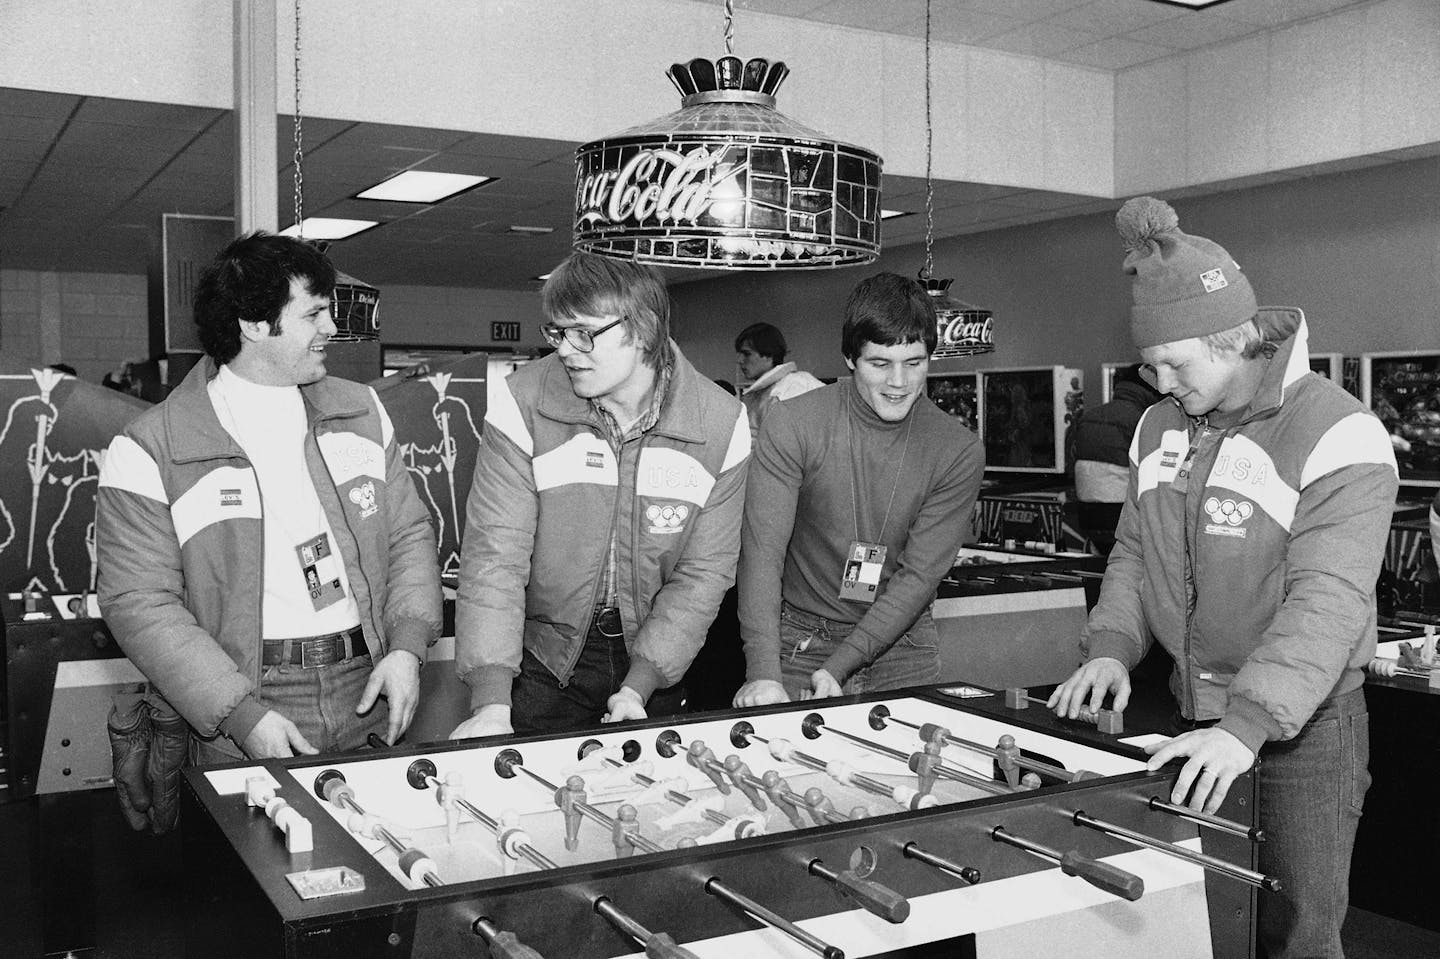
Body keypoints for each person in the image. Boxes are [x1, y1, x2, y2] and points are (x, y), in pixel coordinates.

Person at [1048, 197, 1398, 959]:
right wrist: (1110, 645)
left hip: (1304, 730)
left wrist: (1246, 726)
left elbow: (1328, 601)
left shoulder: (1338, 431)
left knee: (1297, 932)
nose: (1162, 381)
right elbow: (1137, 555)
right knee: (1204, 922)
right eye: (1151, 364)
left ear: (1236, 339)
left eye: (1178, 362)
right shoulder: (1157, 426)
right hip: (1196, 712)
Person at [97, 232, 443, 768]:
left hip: (369, 682)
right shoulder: (150, 449)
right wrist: (238, 713)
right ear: (255, 324)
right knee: (260, 851)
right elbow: (139, 602)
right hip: (251, 698)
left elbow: (408, 534)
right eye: (314, 314)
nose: (331, 328)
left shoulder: (361, 411)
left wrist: (408, 647)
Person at [451, 252, 749, 738]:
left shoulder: (721, 423)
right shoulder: (522, 402)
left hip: (658, 659)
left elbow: (703, 573)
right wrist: (490, 701)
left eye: (584, 332)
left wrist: (639, 685)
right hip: (544, 663)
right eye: (557, 332)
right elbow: (495, 557)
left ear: (644, 329)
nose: (567, 350)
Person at [734, 273, 985, 705]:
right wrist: (761, 670)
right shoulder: (794, 423)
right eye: (880, 363)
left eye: (915, 362)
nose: (899, 382)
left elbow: (918, 578)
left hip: (904, 646)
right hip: (800, 641)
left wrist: (839, 666)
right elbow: (761, 553)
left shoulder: (957, 450)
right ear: (851, 358)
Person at [1071, 363, 1164, 554]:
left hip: (1088, 520)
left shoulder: (1088, 417)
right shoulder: (1144, 420)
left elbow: (1072, 461)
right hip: (1125, 521)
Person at [735, 321, 823, 434]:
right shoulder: (756, 395)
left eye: (747, 354)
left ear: (769, 355)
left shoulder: (796, 386)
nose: (740, 361)